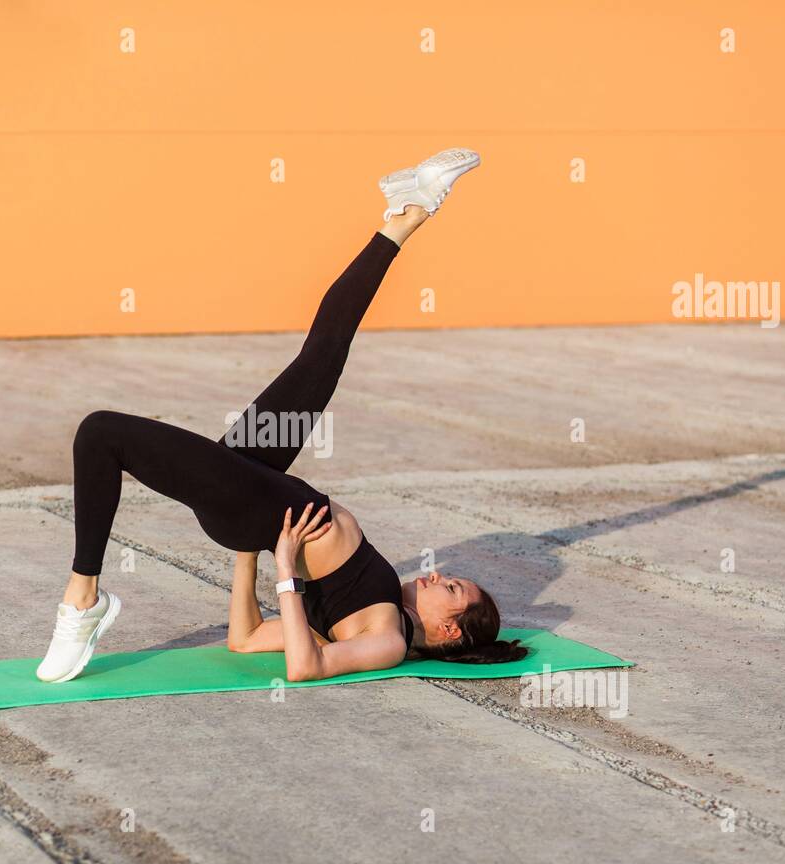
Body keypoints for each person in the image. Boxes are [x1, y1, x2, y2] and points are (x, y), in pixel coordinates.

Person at [38, 148, 527, 684]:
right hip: (259, 499)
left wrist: (284, 565)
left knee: (101, 432)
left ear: (451, 631)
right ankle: (404, 219)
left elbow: (302, 667)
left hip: (259, 511)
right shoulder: (388, 610)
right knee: (322, 354)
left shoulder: (386, 641)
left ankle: (83, 601)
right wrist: (253, 551)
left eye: (451, 588)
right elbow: (244, 640)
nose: (436, 574)